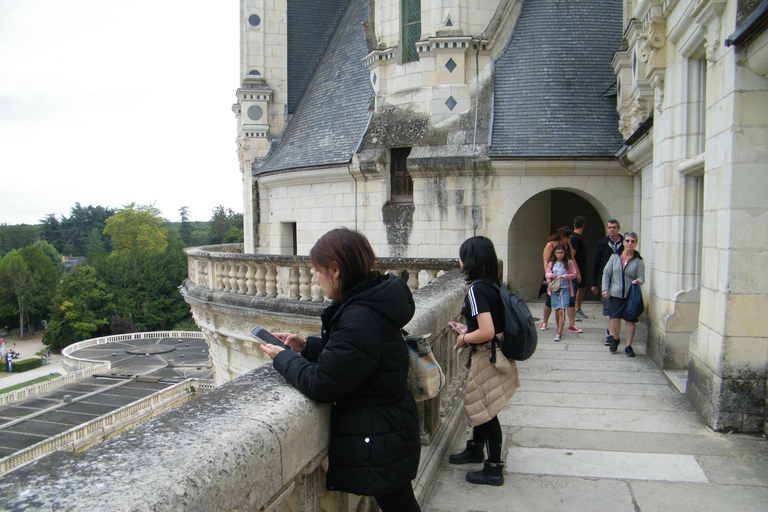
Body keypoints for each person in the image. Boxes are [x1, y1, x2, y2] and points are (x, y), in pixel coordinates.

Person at [258, 228, 422, 512]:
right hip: (390, 425)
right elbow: (358, 355)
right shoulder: (371, 299)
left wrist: (283, 358)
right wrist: (306, 347)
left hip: (380, 433)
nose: (316, 278)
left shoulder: (359, 315)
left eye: (317, 271)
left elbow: (322, 383)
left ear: (334, 271)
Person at [448, 236, 520, 486]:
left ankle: (493, 468)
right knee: (482, 404)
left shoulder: (476, 289)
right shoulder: (492, 285)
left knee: (487, 411)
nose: (459, 262)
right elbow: (489, 324)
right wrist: (466, 327)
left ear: (470, 260)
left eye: (461, 256)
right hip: (496, 354)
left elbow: (487, 331)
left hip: (487, 356)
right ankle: (476, 449)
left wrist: (464, 338)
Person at [602, 232, 645, 357]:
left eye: (633, 241)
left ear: (636, 243)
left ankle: (628, 346)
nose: (630, 243)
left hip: (630, 294)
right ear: (624, 242)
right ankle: (615, 339)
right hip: (615, 292)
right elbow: (607, 273)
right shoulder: (615, 257)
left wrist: (638, 281)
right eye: (627, 241)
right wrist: (605, 289)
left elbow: (641, 276)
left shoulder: (638, 260)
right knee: (614, 318)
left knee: (630, 320)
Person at [540, 227, 582, 334]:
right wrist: (548, 275)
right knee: (550, 301)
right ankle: (545, 321)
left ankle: (572, 324)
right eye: (568, 238)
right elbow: (546, 260)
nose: (569, 240)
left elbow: (572, 258)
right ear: (563, 236)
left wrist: (577, 272)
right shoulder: (551, 244)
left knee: (571, 300)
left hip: (567, 276)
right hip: (554, 275)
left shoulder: (568, 245)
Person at [591, 219, 624, 344]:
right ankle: (611, 333)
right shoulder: (602, 243)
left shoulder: (624, 243)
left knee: (618, 308)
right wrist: (594, 283)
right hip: (606, 279)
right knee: (608, 306)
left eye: (614, 227)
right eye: (609, 227)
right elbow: (596, 263)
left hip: (621, 280)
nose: (612, 230)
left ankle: (613, 330)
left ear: (618, 228)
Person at [546, 244, 578, 341]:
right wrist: (551, 275)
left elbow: (574, 274)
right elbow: (547, 273)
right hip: (555, 289)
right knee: (556, 309)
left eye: (562, 252)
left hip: (565, 289)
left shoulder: (569, 262)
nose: (560, 255)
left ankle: (559, 332)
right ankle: (558, 328)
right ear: (555, 253)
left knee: (561, 311)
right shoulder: (552, 263)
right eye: (558, 253)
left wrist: (566, 276)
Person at [570, 216, 588, 319]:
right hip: (578, 268)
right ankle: (575, 309)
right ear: (583, 225)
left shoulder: (577, 237)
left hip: (581, 266)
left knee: (582, 287)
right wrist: (576, 270)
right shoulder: (575, 238)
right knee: (576, 288)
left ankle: (578, 308)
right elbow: (573, 255)